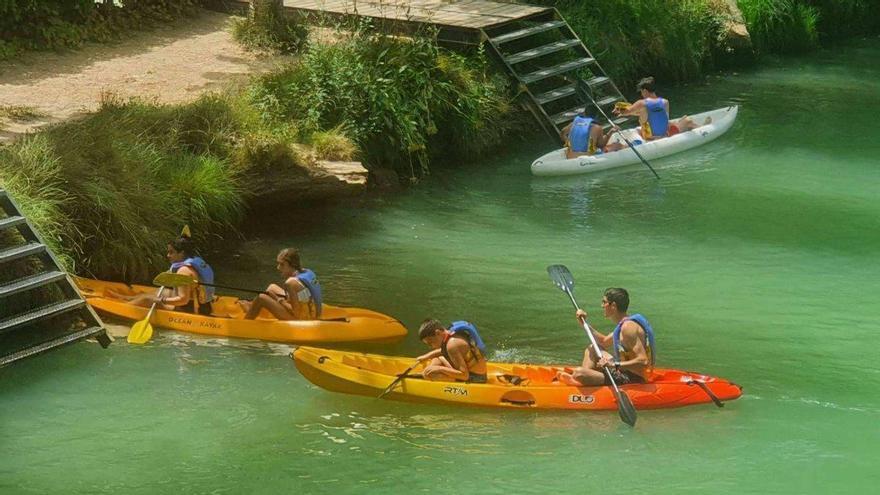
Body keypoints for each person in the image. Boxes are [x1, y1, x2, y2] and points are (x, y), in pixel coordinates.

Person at [555, 287, 656, 387]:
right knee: (592, 348)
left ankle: (582, 379)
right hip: (621, 370)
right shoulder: (624, 324)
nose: (602, 305)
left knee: (579, 373)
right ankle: (587, 377)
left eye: (604, 302)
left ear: (613, 306)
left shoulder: (628, 327)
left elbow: (643, 361)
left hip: (632, 378)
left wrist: (613, 364)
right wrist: (584, 324)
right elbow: (603, 342)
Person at [109, 235, 215, 315]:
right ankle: (126, 298)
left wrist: (161, 300)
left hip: (191, 310)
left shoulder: (184, 271)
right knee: (161, 291)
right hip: (203, 306)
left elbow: (183, 300)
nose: (168, 255)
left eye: (171, 252)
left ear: (181, 253)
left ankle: (118, 310)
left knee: (146, 299)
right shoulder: (193, 262)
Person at [239, 247, 322, 320]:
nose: (278, 267)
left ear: (292, 265)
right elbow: (304, 296)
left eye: (282, 264)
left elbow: (296, 314)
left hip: (301, 319)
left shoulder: (290, 283)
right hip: (309, 310)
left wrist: (277, 299)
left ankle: (245, 323)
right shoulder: (306, 271)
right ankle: (252, 307)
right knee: (272, 287)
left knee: (261, 298)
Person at [416, 319, 489, 384]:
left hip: (476, 378)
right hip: (475, 373)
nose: (431, 346)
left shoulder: (452, 345)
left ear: (438, 333)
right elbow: (444, 350)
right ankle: (430, 370)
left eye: (431, 342)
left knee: (430, 375)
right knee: (436, 359)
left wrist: (439, 368)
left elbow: (464, 376)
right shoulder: (450, 333)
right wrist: (427, 356)